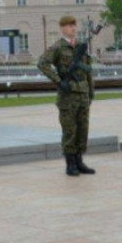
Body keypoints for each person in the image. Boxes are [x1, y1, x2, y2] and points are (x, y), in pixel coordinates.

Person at [38, 15, 96, 177]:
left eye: (74, 25)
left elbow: (87, 71)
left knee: (83, 129)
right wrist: (58, 81)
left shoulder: (81, 47)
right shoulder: (58, 47)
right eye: (69, 25)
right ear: (62, 28)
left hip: (82, 94)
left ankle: (79, 160)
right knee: (70, 131)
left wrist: (91, 92)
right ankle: (70, 163)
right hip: (68, 96)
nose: (73, 28)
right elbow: (42, 63)